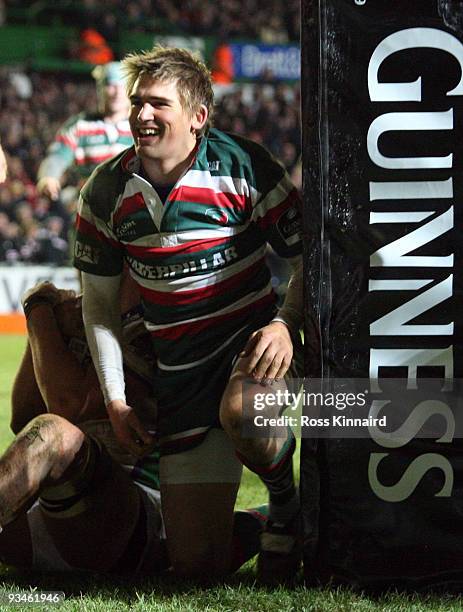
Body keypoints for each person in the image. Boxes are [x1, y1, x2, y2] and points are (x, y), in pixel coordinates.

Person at [73, 46, 303, 583]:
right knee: (195, 568)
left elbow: (306, 259)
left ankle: (287, 504)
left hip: (255, 352)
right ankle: (260, 520)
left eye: (157, 104)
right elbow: (101, 308)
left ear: (197, 117)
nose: (141, 115)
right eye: (137, 103)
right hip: (180, 377)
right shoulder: (105, 191)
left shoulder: (244, 165)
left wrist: (285, 325)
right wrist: (115, 400)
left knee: (245, 410)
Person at [0, 281, 265, 575]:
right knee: (47, 436)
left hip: (134, 518)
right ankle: (262, 520)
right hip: (58, 515)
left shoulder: (163, 315)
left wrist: (39, 313)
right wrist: (44, 326)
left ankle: (269, 519)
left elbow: (69, 405)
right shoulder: (85, 307)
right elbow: (23, 418)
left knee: (52, 434)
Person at [36, 62, 132, 202]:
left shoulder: (139, 125)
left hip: (130, 208)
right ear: (100, 88)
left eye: (122, 86)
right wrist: (49, 177)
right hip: (91, 207)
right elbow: (58, 155)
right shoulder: (81, 126)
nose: (117, 92)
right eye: (111, 85)